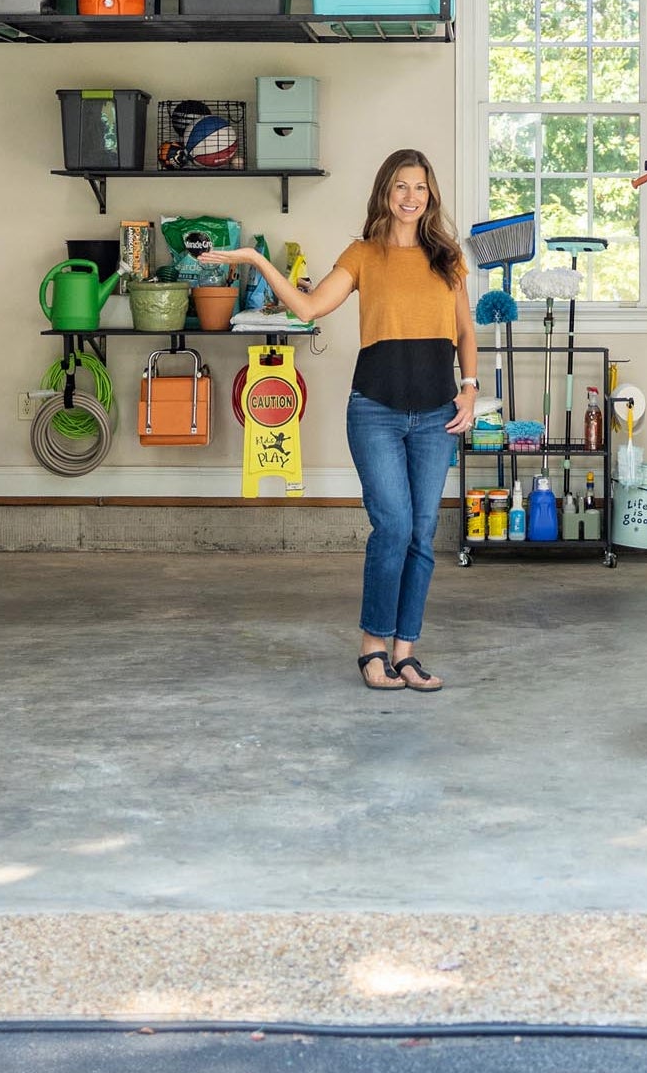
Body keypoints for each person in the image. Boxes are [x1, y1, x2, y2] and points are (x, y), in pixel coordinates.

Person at [203, 149, 479, 692]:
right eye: (400, 186)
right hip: (375, 410)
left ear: (431, 194)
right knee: (394, 526)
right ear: (385, 192)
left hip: (435, 414)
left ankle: (405, 652)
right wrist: (258, 264)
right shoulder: (363, 254)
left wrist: (469, 389)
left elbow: (465, 331)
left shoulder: (447, 257)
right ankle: (372, 647)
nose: (410, 196)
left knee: (423, 533)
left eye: (419, 187)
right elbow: (308, 310)